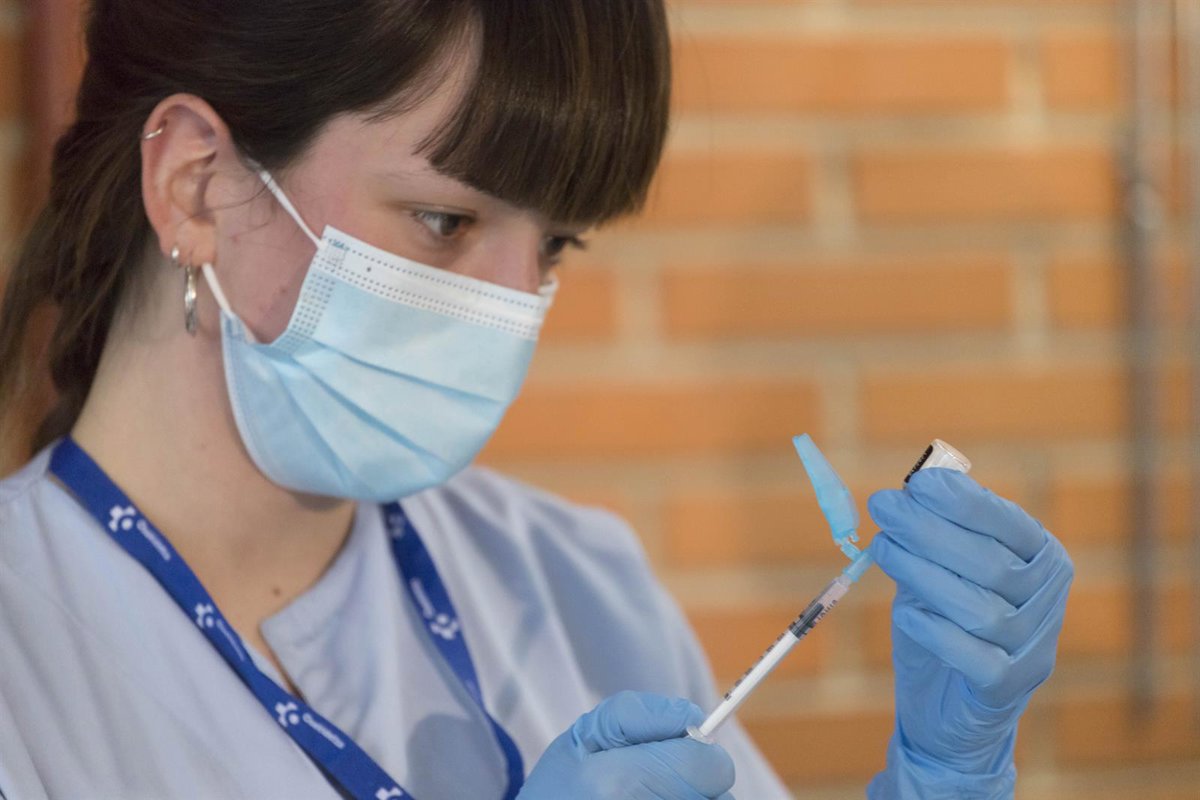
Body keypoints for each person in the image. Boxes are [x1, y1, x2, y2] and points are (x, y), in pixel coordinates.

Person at [0, 2, 1073, 799]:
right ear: (195, 184)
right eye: (445, 221)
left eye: (555, 244)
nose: (516, 305)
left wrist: (941, 776)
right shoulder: (27, 659)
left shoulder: (574, 583)